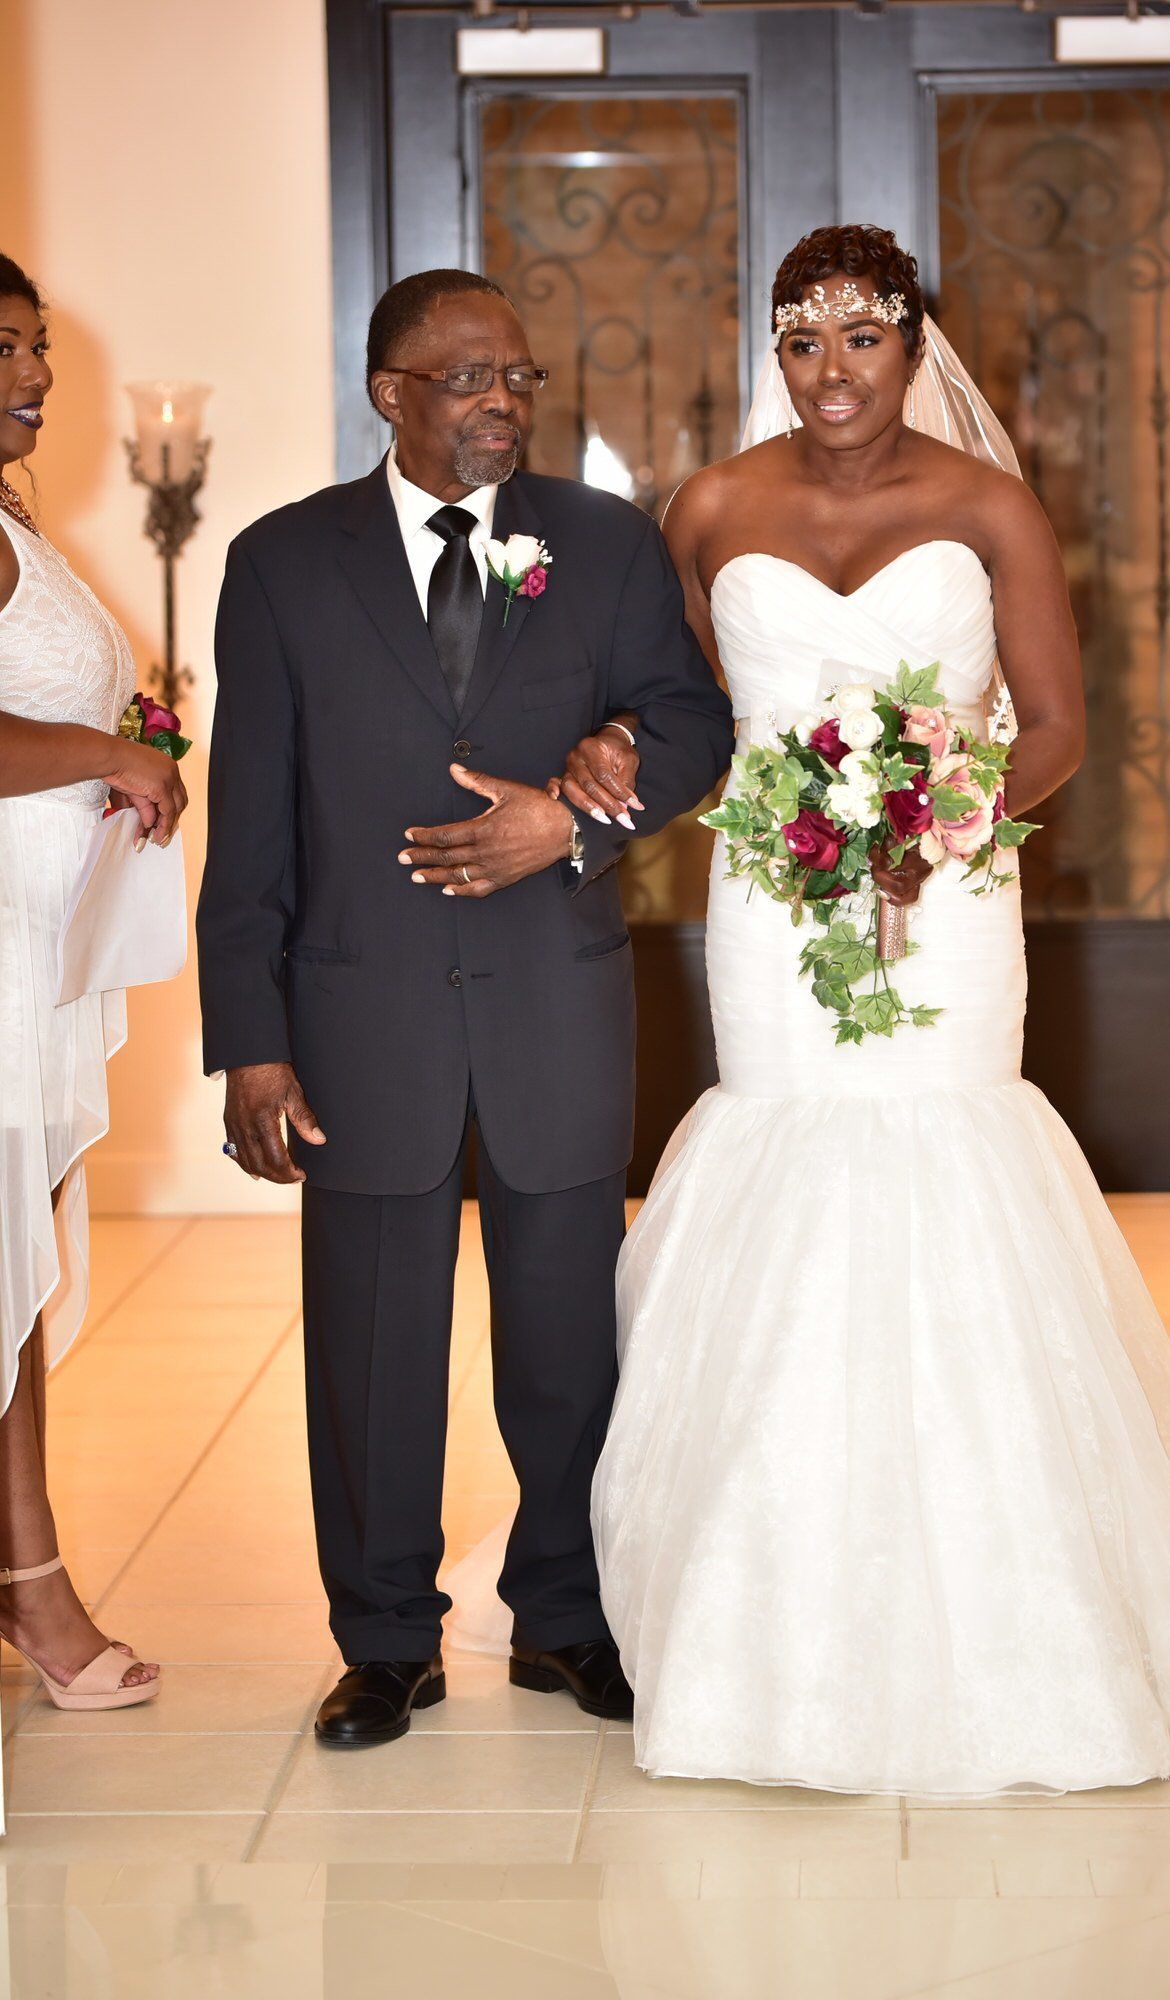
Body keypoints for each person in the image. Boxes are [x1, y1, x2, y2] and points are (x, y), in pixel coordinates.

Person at [574, 225, 1170, 1796]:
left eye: (863, 336)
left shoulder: (990, 507)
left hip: (952, 892)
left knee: (948, 1165)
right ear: (769, 352)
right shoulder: (708, 507)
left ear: (918, 346)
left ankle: (1017, 1606)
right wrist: (618, 762)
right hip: (775, 913)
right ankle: (760, 1620)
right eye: (801, 339)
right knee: (785, 1158)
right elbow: (690, 719)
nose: (831, 370)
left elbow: (1054, 724)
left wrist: (938, 810)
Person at [197, 269, 734, 1749]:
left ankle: (565, 1619)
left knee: (568, 1338)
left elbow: (694, 724)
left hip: (552, 1004)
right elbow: (250, 823)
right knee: (371, 1348)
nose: (504, 402)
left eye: (522, 379)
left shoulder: (605, 544)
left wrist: (571, 816)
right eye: (470, 379)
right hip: (360, 1015)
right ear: (391, 394)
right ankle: (383, 1641)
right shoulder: (282, 565)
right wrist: (250, 1039)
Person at [0, 254, 186, 1714]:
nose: (39, 373)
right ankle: (36, 1593)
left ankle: (21, 1578)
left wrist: (129, 754)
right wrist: (111, 757)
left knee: (11, 1272)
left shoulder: (17, 518)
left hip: (36, 948)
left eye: (39, 345)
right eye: (8, 346)